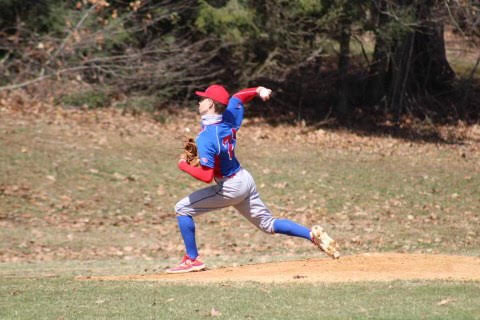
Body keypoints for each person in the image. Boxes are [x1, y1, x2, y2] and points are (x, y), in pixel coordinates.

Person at [167, 84, 339, 273]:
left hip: (230, 186)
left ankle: (192, 259)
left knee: (182, 209)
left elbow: (207, 176)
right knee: (268, 224)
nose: (199, 101)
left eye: (203, 98)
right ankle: (312, 235)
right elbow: (238, 97)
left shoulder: (207, 137)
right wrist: (259, 90)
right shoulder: (227, 118)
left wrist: (183, 165)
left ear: (210, 104)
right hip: (244, 178)